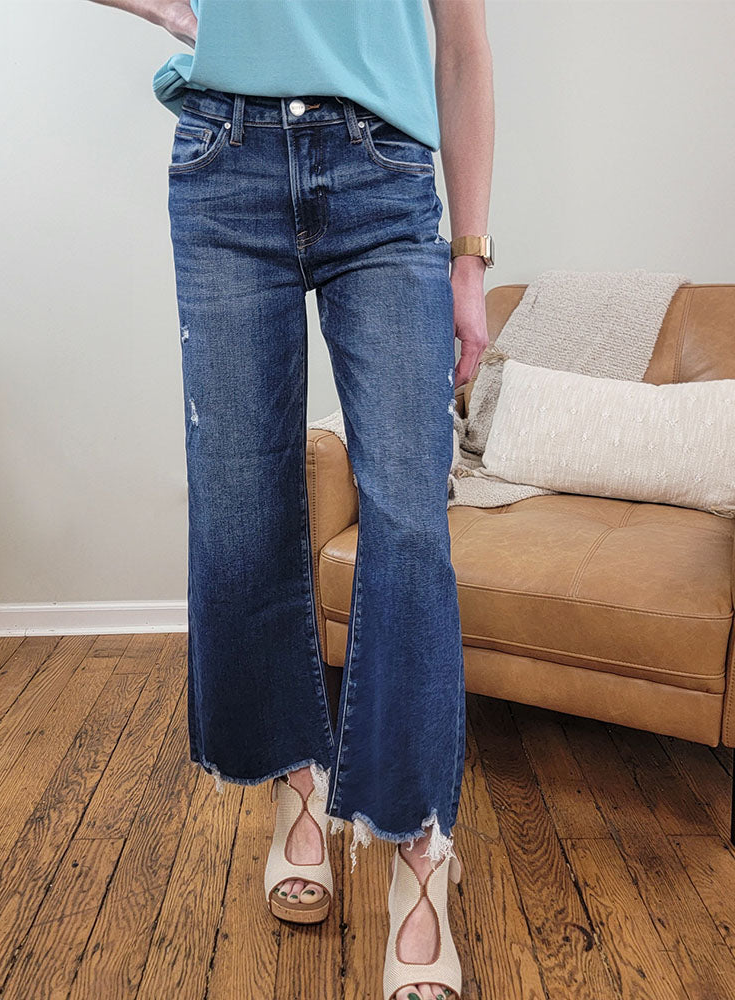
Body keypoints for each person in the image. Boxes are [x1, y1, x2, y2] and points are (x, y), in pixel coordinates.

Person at [88, 1, 494, 997]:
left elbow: (462, 45)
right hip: (224, 164)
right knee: (240, 515)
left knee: (409, 523)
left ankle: (417, 850)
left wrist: (469, 257)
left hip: (384, 172)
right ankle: (298, 785)